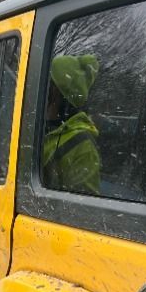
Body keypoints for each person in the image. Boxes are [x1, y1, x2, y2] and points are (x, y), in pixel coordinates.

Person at [42, 54, 101, 195]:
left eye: (48, 83)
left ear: (56, 92)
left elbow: (82, 207)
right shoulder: (38, 127)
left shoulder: (83, 146)